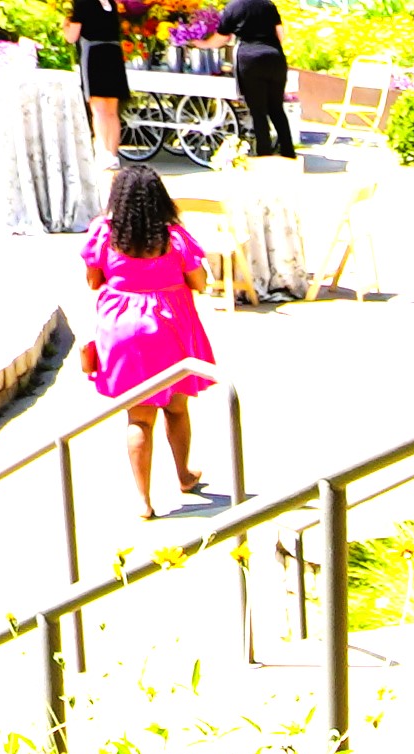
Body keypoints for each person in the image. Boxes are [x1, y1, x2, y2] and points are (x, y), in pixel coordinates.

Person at [82, 166, 218, 516]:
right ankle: (184, 475)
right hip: (168, 327)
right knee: (176, 406)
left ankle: (143, 501)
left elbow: (93, 280)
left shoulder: (105, 235)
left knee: (139, 419)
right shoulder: (173, 237)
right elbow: (199, 282)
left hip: (122, 331)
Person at [219, 0, 296, 161]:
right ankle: (289, 153)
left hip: (250, 60)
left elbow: (222, 38)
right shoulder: (268, 5)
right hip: (275, 58)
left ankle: (265, 155)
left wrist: (199, 43)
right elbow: (280, 34)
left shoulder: (233, 7)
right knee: (276, 109)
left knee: (258, 111)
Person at [73, 0, 129, 160]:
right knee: (112, 111)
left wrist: (65, 25)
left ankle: (103, 152)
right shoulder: (111, 3)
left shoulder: (82, 2)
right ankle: (112, 153)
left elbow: (72, 36)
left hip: (94, 55)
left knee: (98, 110)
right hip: (113, 54)